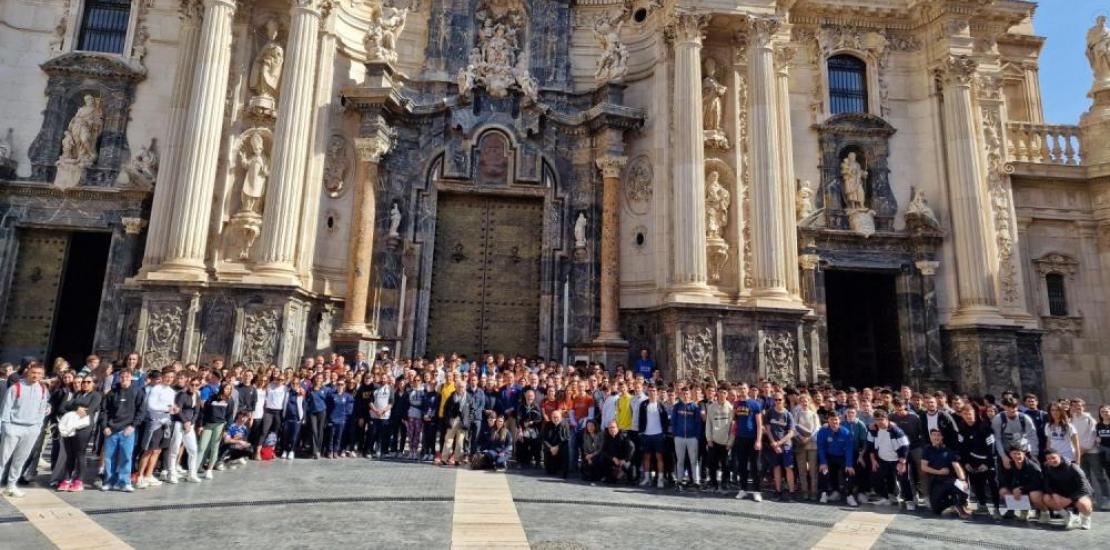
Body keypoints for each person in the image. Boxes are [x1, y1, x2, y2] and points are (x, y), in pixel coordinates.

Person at [57, 375, 102, 491]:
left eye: (88, 382)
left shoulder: (96, 395)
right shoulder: (77, 394)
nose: (85, 384)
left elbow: (89, 410)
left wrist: (76, 407)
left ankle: (79, 480)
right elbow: (65, 407)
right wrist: (77, 407)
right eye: (84, 382)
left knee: (80, 453)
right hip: (72, 427)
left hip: (84, 428)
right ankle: (67, 479)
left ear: (93, 384)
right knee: (70, 454)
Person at [955, 404, 1000, 518]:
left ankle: (996, 508)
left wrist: (987, 463)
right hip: (972, 461)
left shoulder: (984, 426)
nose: (968, 416)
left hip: (987, 460)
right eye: (965, 414)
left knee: (993, 483)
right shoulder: (961, 427)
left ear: (975, 413)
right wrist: (966, 463)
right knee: (976, 483)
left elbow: (992, 446)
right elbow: (961, 447)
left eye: (970, 413)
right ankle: (982, 505)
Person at [101, 368, 141, 492]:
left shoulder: (137, 392)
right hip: (111, 429)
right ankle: (109, 481)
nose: (124, 379)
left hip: (127, 429)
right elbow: (104, 411)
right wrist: (105, 426)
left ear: (131, 378)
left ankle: (124, 482)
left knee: (126, 456)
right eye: (122, 377)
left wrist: (133, 425)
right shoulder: (112, 392)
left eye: (127, 377)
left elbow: (141, 411)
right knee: (109, 457)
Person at [137, 370, 177, 489]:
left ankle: (149, 475)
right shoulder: (156, 389)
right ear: (163, 377)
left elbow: (170, 405)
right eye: (167, 376)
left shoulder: (171, 391)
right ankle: (140, 476)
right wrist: (166, 409)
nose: (169, 379)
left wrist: (174, 408)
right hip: (154, 423)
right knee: (148, 450)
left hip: (165, 423)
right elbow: (151, 406)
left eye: (171, 377)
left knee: (157, 451)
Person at [920, 428, 971, 518]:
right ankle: (953, 502)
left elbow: (956, 466)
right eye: (934, 435)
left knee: (964, 488)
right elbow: (924, 467)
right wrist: (939, 472)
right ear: (930, 437)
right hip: (935, 482)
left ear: (942, 437)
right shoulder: (927, 450)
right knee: (936, 510)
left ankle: (959, 506)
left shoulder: (948, 451)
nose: (936, 437)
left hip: (949, 480)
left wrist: (963, 480)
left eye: (938, 435)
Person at [867, 409, 913, 508]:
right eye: (877, 419)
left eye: (882, 419)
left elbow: (905, 446)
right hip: (882, 459)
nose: (879, 422)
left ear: (886, 419)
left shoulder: (896, 430)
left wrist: (902, 462)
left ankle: (909, 500)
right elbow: (870, 445)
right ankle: (887, 498)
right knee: (879, 478)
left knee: (903, 480)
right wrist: (873, 460)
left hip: (897, 460)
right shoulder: (873, 430)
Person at [1041, 448, 1095, 530]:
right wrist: (1054, 494)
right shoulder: (1048, 467)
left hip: (1078, 495)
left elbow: (1085, 488)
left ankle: (1085, 518)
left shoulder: (1073, 467)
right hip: (1062, 495)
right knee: (1046, 498)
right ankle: (1067, 516)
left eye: (1053, 457)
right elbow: (1047, 484)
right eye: (1048, 459)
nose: (1051, 460)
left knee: (1084, 504)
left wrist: (1070, 499)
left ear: (1059, 456)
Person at [1070, 398, 1107, 507]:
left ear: (1083, 407)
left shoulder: (1090, 420)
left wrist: (1081, 450)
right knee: (1085, 477)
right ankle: (1091, 498)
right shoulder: (1071, 420)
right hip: (1079, 453)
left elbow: (1092, 438)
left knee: (1099, 476)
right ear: (1071, 407)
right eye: (1075, 406)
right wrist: (1077, 451)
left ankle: (1106, 498)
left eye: (1079, 406)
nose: (1077, 408)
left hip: (1092, 452)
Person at [816, 413, 858, 507]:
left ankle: (850, 496)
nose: (834, 422)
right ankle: (825, 494)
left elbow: (849, 449)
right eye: (831, 419)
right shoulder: (823, 431)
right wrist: (823, 462)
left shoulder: (846, 432)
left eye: (836, 419)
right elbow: (821, 447)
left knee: (849, 473)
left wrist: (849, 464)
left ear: (839, 421)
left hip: (842, 457)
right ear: (828, 421)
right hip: (829, 456)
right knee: (824, 472)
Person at [732, 383, 763, 501]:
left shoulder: (755, 404)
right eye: (740, 389)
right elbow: (734, 420)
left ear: (748, 390)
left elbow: (759, 424)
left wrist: (759, 440)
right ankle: (743, 489)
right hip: (740, 438)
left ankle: (756, 491)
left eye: (744, 388)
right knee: (742, 465)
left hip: (753, 438)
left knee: (755, 466)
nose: (742, 390)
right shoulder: (737, 404)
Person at [167, 376, 201, 483]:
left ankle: (192, 473)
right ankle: (171, 473)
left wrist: (191, 423)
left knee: (193, 449)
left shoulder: (197, 396)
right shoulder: (182, 395)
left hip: (189, 425)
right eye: (192, 384)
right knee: (175, 448)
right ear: (188, 384)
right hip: (179, 423)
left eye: (196, 385)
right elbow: (178, 409)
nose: (194, 387)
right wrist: (185, 421)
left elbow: (196, 411)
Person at [998, 441, 1044, 521]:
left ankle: (1043, 512)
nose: (1016, 456)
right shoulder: (1010, 465)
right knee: (1003, 491)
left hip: (1034, 490)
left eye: (1019, 453)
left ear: (1024, 454)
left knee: (1034, 494)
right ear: (1010, 454)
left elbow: (1038, 483)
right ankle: (1021, 510)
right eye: (1014, 453)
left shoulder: (1032, 465)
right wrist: (1013, 489)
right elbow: (1005, 481)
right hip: (1020, 490)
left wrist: (1022, 489)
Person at [764, 392, 797, 501]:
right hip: (774, 445)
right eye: (776, 399)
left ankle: (791, 492)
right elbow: (768, 429)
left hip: (786, 445)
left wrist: (780, 443)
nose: (777, 401)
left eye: (780, 399)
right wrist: (774, 443)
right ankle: (778, 491)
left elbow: (791, 432)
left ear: (784, 401)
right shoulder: (769, 412)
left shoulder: (788, 414)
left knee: (788, 468)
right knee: (776, 468)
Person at [197, 383, 233, 479]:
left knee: (214, 447)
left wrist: (226, 430)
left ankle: (209, 470)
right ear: (222, 389)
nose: (228, 390)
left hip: (220, 425)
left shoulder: (230, 400)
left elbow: (229, 416)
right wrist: (201, 425)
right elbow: (204, 412)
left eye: (229, 389)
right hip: (208, 424)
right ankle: (195, 468)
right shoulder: (212, 398)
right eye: (226, 388)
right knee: (201, 447)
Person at [637, 385, 669, 488]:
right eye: (650, 391)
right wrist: (641, 432)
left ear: (657, 392)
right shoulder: (643, 404)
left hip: (658, 434)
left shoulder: (661, 405)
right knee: (646, 457)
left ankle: (660, 479)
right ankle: (647, 478)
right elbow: (640, 419)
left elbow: (665, 420)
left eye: (654, 391)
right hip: (646, 434)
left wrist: (664, 433)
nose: (652, 393)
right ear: (648, 392)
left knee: (659, 457)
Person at [994, 396, 1038, 468]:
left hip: (1024, 452)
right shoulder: (998, 419)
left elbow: (1033, 437)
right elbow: (997, 439)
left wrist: (1034, 455)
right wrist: (1003, 456)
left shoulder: (1025, 418)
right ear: (1004, 407)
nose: (1012, 409)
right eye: (1009, 407)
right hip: (1007, 453)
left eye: (1014, 407)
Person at [671, 386, 701, 488]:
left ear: (690, 394)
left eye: (687, 393)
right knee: (680, 460)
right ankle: (679, 480)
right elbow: (673, 422)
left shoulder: (695, 407)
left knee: (693, 460)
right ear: (680, 395)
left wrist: (696, 436)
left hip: (692, 438)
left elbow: (698, 423)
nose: (685, 395)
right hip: (679, 437)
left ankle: (696, 481)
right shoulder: (677, 406)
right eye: (683, 393)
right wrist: (675, 434)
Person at [326, 380, 353, 459]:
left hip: (341, 419)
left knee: (338, 437)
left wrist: (345, 417)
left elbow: (349, 408)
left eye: (341, 384)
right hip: (332, 419)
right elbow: (328, 407)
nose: (340, 386)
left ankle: (335, 451)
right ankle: (330, 451)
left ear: (344, 386)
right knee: (331, 436)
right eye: (338, 384)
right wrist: (329, 418)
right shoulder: (332, 395)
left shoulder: (347, 396)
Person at [542, 409, 570, 478]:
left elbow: (566, 438)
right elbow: (544, 438)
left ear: (561, 417)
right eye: (553, 417)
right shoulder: (547, 424)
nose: (555, 419)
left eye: (557, 417)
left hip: (560, 446)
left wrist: (557, 447)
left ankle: (564, 471)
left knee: (565, 448)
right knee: (550, 472)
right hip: (551, 447)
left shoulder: (565, 424)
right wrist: (551, 448)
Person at [282, 383, 306, 459]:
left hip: (296, 417)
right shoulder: (287, 392)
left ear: (299, 385)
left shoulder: (301, 394)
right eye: (293, 384)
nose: (295, 385)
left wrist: (303, 417)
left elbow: (304, 406)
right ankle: (285, 450)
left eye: (296, 384)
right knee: (286, 435)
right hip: (287, 417)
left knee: (294, 436)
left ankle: (292, 451)